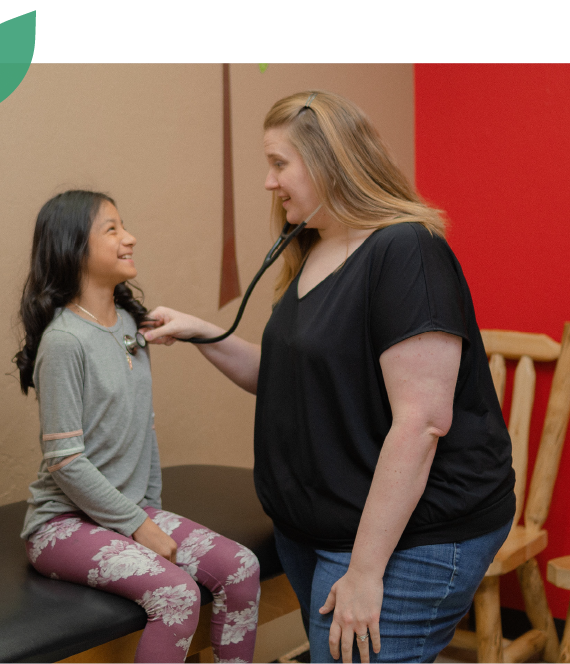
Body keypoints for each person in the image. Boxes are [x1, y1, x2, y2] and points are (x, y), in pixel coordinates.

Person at [144, 91, 515, 664]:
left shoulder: (406, 250)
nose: (269, 182)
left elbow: (421, 422)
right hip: (318, 528)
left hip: (408, 538)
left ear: (328, 160)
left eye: (278, 163)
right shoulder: (312, 249)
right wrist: (201, 333)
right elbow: (291, 380)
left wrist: (367, 573)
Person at [13, 190, 261, 664]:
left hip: (127, 514)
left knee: (240, 568)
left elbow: (143, 431)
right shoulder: (64, 341)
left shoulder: (131, 327)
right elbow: (65, 460)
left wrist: (150, 512)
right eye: (112, 229)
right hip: (62, 527)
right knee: (177, 595)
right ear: (74, 248)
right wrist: (140, 527)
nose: (130, 237)